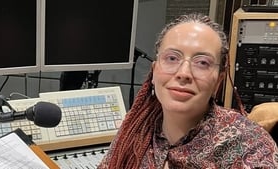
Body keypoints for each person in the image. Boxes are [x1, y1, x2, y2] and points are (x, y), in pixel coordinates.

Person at [98, 13, 278, 168]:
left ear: (219, 81)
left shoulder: (252, 147)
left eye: (202, 63)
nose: (183, 73)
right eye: (171, 58)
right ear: (154, 71)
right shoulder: (135, 130)